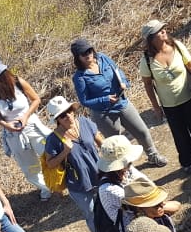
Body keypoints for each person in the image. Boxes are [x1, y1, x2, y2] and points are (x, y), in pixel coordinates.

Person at [70, 38, 168, 167]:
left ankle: (153, 155)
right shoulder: (80, 77)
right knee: (117, 143)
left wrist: (123, 82)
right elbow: (84, 101)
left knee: (142, 131)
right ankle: (126, 168)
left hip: (122, 103)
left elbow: (118, 71)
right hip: (104, 114)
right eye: (84, 53)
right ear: (78, 57)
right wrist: (105, 99)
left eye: (89, 50)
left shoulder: (103, 58)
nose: (88, 54)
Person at [139, 20, 191, 173]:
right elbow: (148, 85)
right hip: (169, 105)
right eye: (159, 31)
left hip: (190, 97)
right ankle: (187, 162)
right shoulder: (146, 60)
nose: (163, 31)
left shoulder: (177, 47)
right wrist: (156, 106)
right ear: (151, 38)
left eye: (163, 29)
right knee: (180, 136)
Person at [0, 53, 53, 201]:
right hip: (13, 134)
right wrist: (7, 125)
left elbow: (36, 99)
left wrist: (25, 116)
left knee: (49, 152)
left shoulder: (18, 82)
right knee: (29, 166)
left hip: (31, 125)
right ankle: (45, 187)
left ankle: (59, 180)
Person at [43, 95, 104, 232]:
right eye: (62, 115)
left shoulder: (84, 122)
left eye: (69, 111)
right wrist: (65, 151)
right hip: (78, 184)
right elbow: (50, 163)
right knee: (91, 214)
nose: (68, 116)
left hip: (99, 174)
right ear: (57, 119)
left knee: (108, 207)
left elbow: (101, 141)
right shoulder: (53, 139)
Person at [95, 135, 150, 232]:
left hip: (142, 221)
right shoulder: (108, 189)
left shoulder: (125, 169)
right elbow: (142, 205)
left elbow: (146, 183)